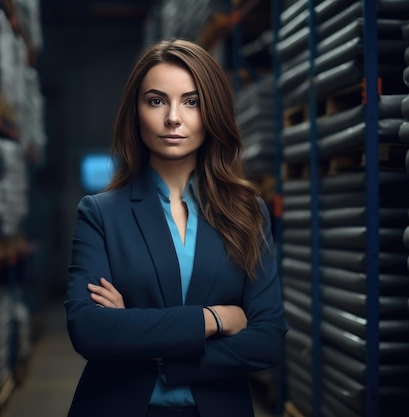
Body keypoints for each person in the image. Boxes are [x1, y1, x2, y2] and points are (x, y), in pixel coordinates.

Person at [65, 39, 288, 417]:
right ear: (136, 113)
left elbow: (267, 340)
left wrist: (144, 341)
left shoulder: (248, 213)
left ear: (212, 111)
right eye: (156, 101)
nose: (173, 117)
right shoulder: (101, 213)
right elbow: (89, 329)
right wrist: (215, 319)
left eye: (191, 101)